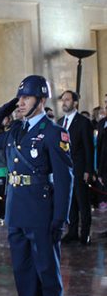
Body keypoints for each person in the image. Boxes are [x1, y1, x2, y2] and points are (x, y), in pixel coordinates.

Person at [0, 75, 73, 296]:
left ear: (41, 101)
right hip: (16, 210)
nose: (21, 102)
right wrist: (7, 108)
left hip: (41, 210)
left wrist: (61, 217)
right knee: (23, 270)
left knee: (46, 268)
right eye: (19, 97)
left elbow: (65, 179)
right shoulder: (16, 130)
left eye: (26, 98)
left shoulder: (54, 132)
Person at [58, 90, 94, 245]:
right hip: (64, 170)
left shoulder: (83, 122)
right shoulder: (60, 123)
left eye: (67, 99)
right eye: (63, 100)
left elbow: (88, 148)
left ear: (75, 103)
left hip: (79, 169)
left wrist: (88, 170)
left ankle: (85, 234)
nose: (64, 102)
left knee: (83, 203)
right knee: (70, 202)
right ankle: (72, 232)